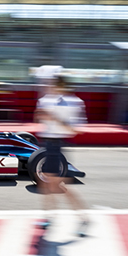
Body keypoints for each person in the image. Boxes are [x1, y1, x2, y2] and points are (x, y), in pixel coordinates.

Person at [34, 67, 90, 237]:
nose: (48, 85)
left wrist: (55, 119)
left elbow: (75, 130)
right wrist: (42, 115)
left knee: (57, 186)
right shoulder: (45, 100)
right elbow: (38, 118)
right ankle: (50, 216)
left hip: (57, 145)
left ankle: (83, 218)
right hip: (48, 145)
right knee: (46, 184)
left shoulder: (75, 103)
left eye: (52, 83)